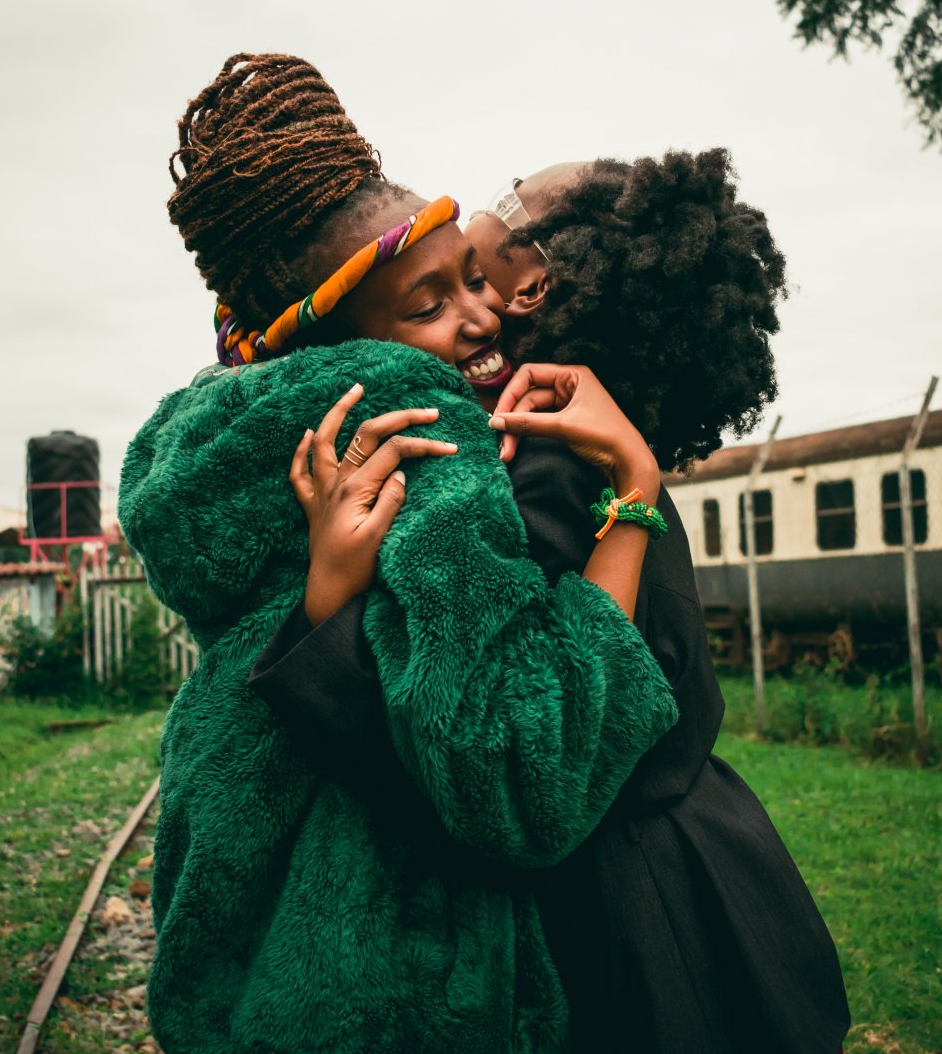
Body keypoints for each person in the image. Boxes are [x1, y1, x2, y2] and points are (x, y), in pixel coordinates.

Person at [118, 53, 679, 1054]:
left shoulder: (222, 445)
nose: (481, 315)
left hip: (243, 944)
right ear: (336, 338)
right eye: (427, 304)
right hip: (387, 982)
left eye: (474, 277)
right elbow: (525, 769)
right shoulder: (414, 422)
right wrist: (635, 499)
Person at [252, 156, 852, 1052]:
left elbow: (480, 758)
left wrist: (329, 608)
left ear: (529, 284)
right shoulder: (582, 456)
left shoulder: (533, 473)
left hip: (629, 938)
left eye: (508, 198)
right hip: (709, 882)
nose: (484, 203)